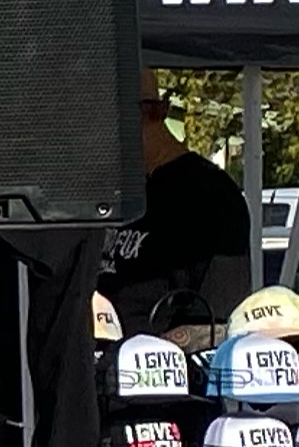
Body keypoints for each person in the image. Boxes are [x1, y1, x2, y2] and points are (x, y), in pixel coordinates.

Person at [107, 90, 253, 329]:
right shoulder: (115, 186)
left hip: (158, 349)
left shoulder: (210, 194)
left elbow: (216, 318)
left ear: (150, 112)